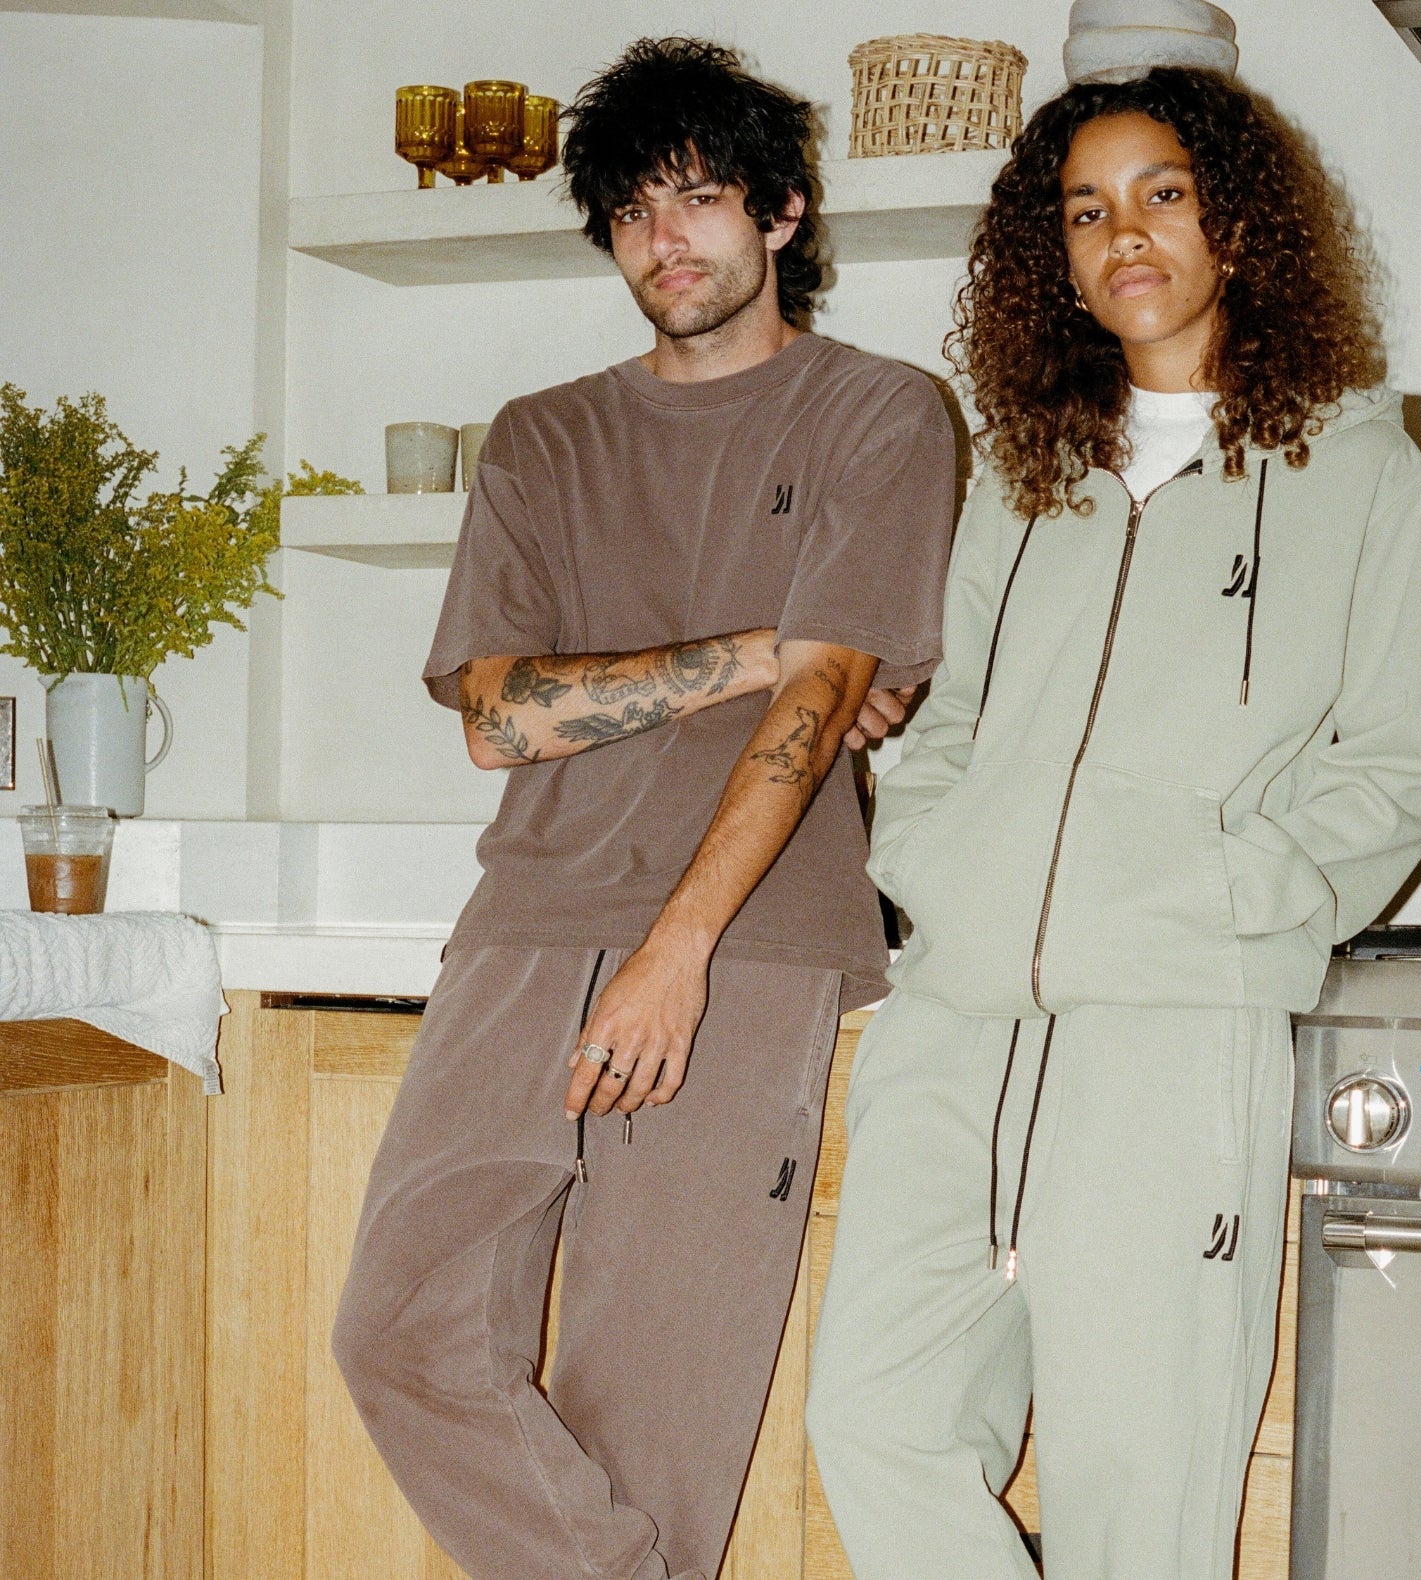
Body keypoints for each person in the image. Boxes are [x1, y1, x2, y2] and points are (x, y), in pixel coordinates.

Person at [804, 6, 1421, 1578]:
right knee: (876, 1425)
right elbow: (944, 719)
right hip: (962, 1022)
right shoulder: (1026, 470)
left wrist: (1233, 899)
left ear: (1233, 220)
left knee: (1142, 1495)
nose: (1125, 236)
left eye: (1161, 194)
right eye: (1086, 212)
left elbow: (1399, 765)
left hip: (1174, 1034)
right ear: (1060, 258)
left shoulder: (1364, 473)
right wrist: (944, 868)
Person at [331, 37, 956, 1580]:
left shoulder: (883, 416)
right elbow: (501, 720)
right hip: (527, 925)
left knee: (654, 1409)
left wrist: (679, 948)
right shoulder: (544, 436)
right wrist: (766, 644)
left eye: (697, 199)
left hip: (748, 948)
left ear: (785, 212)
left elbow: (817, 724)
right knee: (398, 1333)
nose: (661, 242)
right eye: (629, 213)